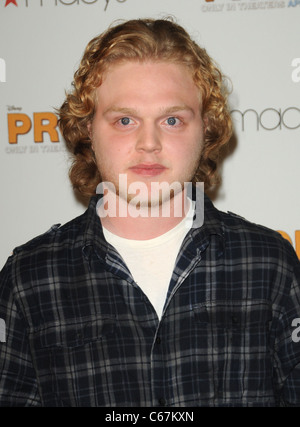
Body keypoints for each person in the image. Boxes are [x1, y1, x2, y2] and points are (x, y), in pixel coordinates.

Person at [0, 18, 300, 408]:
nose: (149, 143)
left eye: (172, 120)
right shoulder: (28, 279)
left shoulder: (269, 263)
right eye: (125, 120)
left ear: (206, 128)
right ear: (88, 129)